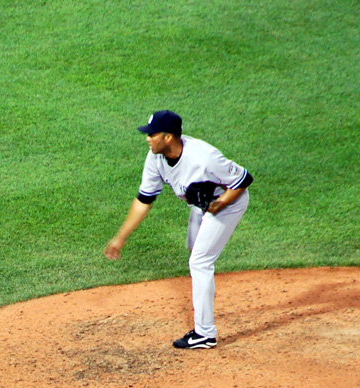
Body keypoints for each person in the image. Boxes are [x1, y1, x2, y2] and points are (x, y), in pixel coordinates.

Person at [104, 110, 253, 349]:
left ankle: (205, 334)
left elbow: (243, 179)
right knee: (195, 251)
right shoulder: (155, 157)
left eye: (152, 134)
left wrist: (219, 204)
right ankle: (206, 302)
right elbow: (144, 199)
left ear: (169, 137)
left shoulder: (204, 158)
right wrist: (120, 239)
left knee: (200, 262)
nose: (147, 138)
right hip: (203, 207)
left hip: (228, 204)